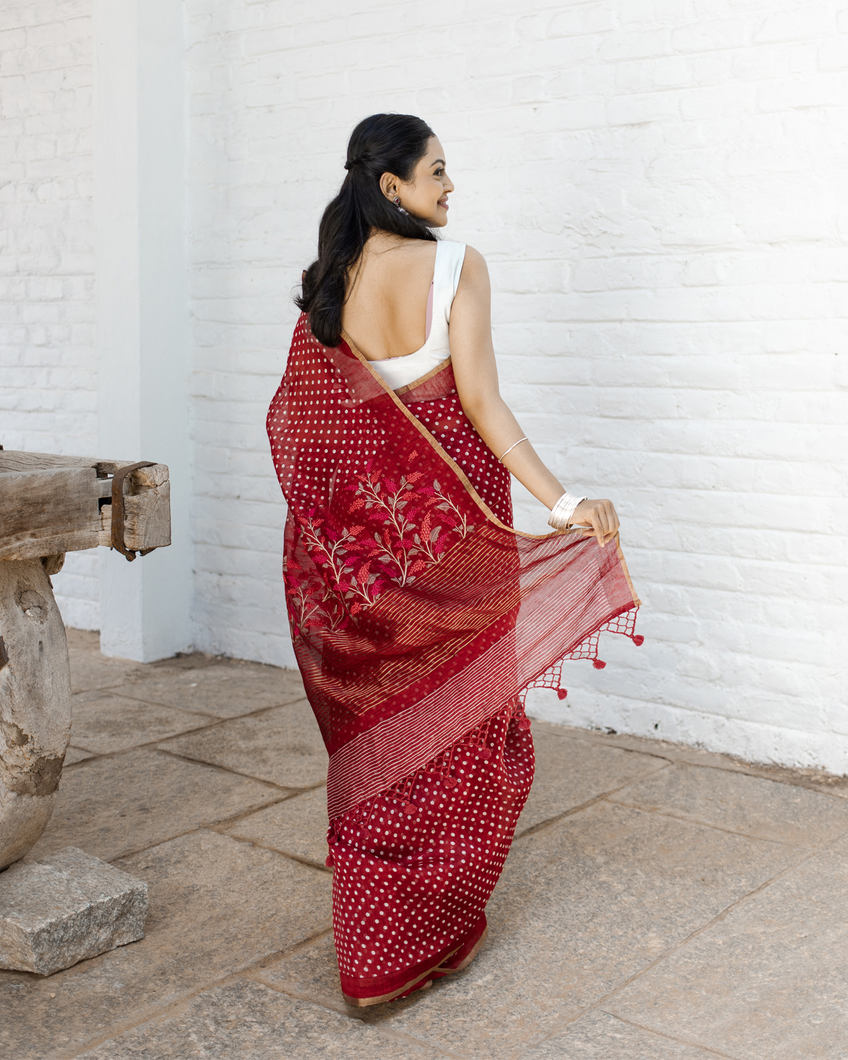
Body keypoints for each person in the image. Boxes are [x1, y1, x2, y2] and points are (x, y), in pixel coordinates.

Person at [266, 113, 642, 1007]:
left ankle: (373, 952)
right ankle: (430, 925)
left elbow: (307, 435)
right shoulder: (456, 264)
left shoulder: (331, 282)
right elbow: (483, 405)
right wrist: (561, 504)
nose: (448, 186)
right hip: (454, 538)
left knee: (382, 737)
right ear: (390, 186)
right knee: (469, 730)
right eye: (435, 171)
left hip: (359, 554)